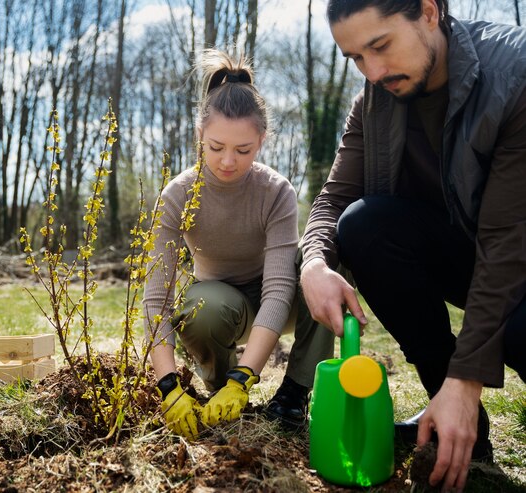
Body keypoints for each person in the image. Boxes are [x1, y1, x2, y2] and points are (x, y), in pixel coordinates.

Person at [300, 0, 526, 490]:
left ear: (428, 12)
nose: (373, 71)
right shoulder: (375, 101)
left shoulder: (516, 75)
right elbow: (334, 198)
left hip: (518, 264)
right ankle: (456, 428)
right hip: (472, 256)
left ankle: (458, 399)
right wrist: (314, 262)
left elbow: (507, 245)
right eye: (356, 58)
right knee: (364, 224)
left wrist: (467, 381)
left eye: (380, 46)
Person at [143, 49, 326, 440]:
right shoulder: (177, 196)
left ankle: (293, 393)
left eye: (243, 150)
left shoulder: (276, 191)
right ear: (200, 137)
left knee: (328, 264)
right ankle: (218, 385)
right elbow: (156, 298)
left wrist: (246, 376)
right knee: (199, 308)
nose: (228, 161)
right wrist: (168, 386)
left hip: (281, 297)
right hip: (223, 303)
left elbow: (278, 289)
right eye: (216, 147)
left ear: (261, 139)